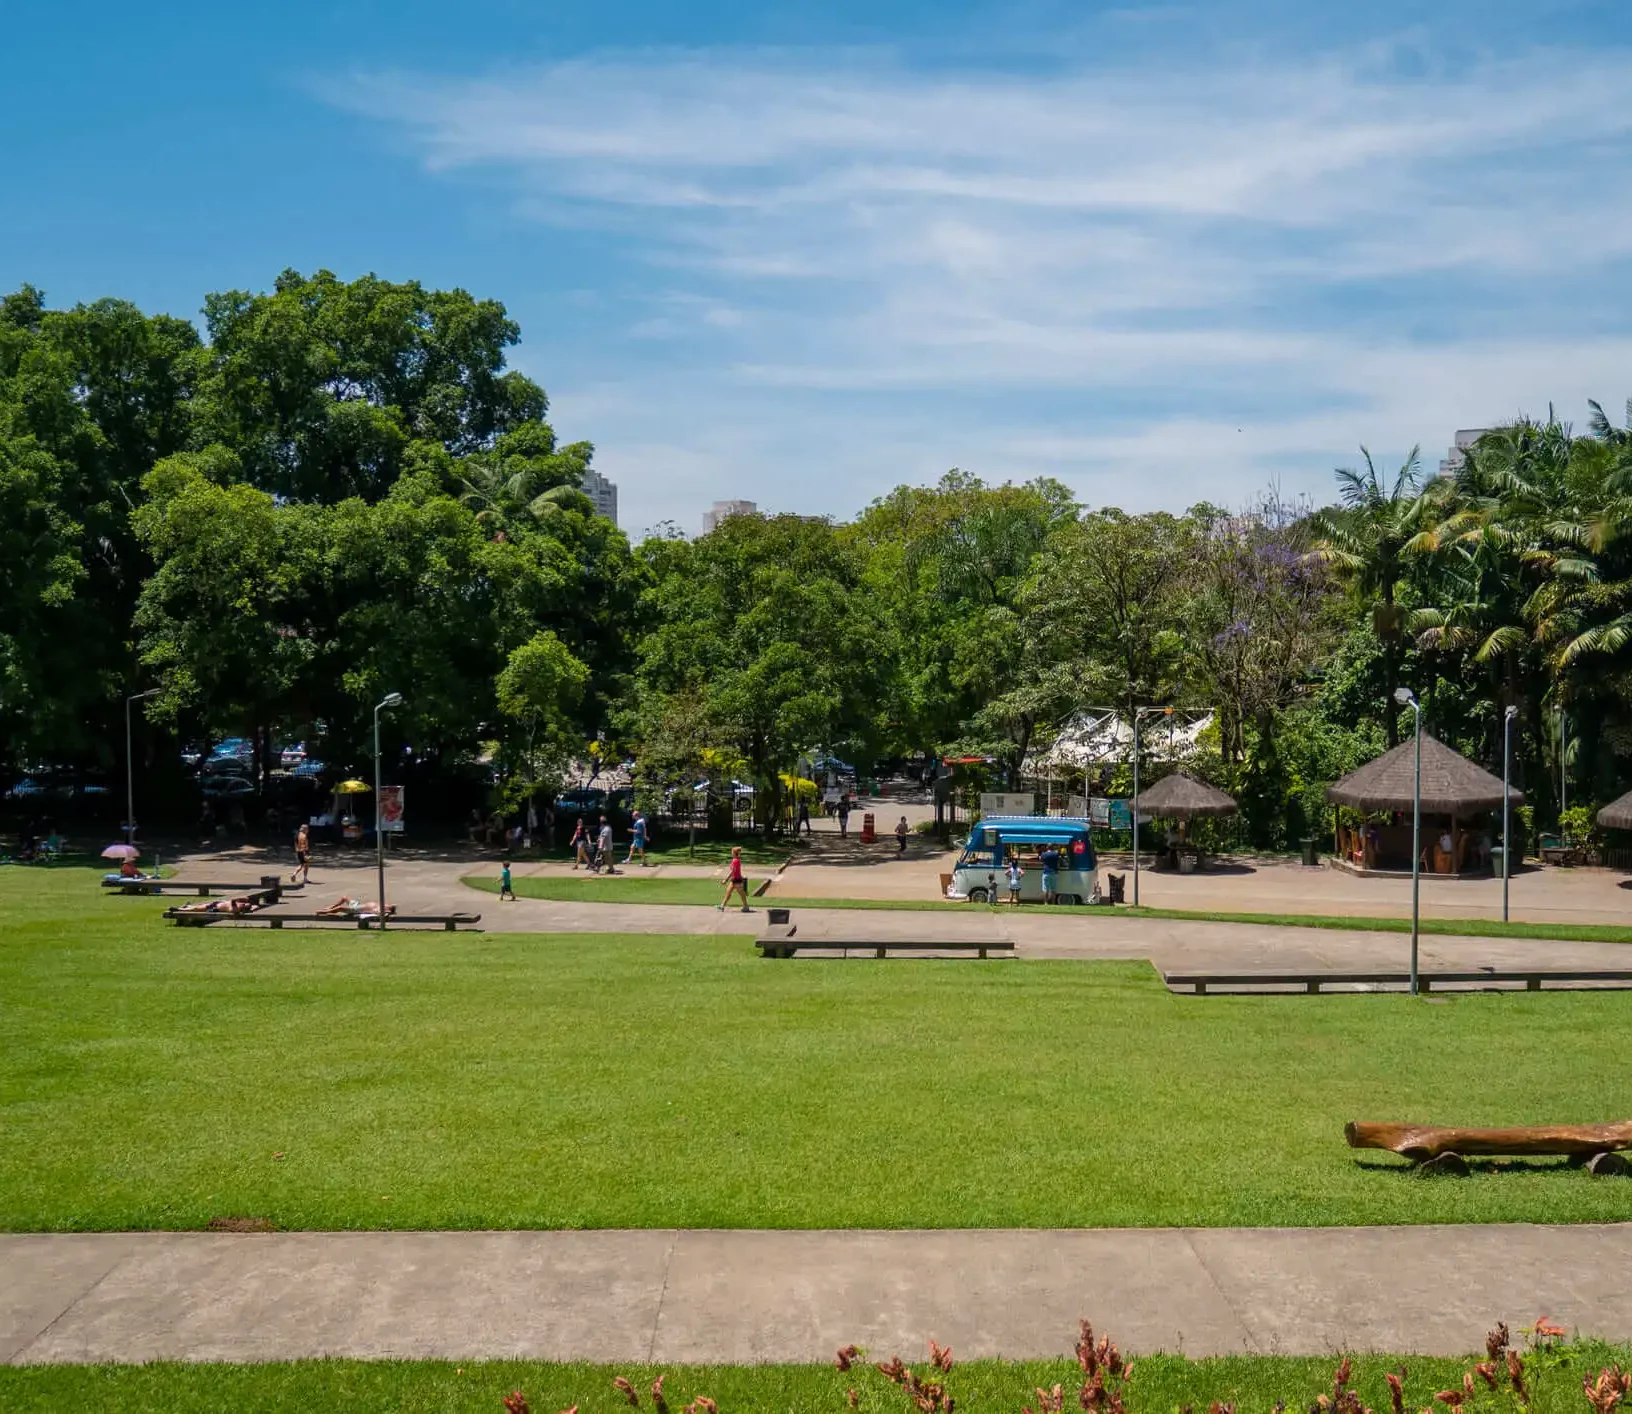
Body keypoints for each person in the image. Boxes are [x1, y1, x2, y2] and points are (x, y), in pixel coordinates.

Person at [718, 846, 751, 912]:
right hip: (735, 879)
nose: (731, 853)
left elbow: (733, 871)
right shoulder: (736, 860)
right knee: (728, 892)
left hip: (736, 880)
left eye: (732, 852)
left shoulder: (735, 861)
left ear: (734, 853)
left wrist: (726, 879)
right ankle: (722, 905)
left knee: (741, 893)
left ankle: (746, 906)